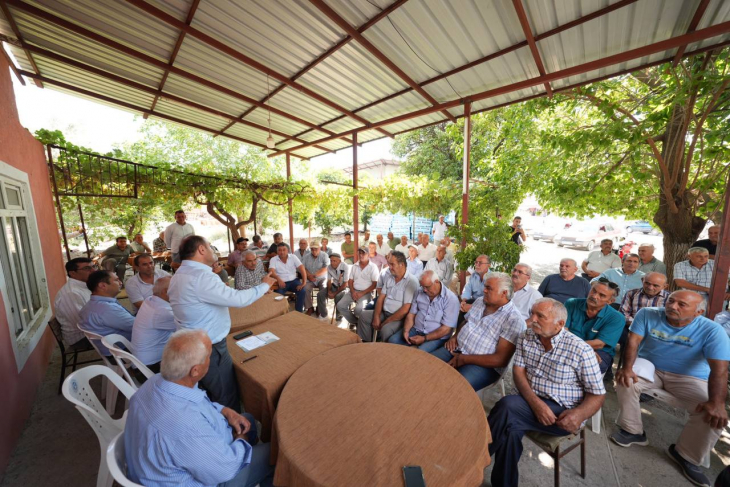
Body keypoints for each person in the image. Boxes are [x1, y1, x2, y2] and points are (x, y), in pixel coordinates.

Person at [125, 329, 274, 487]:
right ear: (195, 370)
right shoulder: (187, 426)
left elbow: (196, 402)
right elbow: (227, 468)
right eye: (210, 355)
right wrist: (240, 439)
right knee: (278, 453)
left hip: (164, 462)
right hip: (218, 474)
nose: (211, 359)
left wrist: (224, 411)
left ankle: (255, 464)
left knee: (248, 420)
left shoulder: (156, 382)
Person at [611, 291, 730, 487]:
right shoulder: (647, 313)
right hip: (651, 368)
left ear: (698, 311)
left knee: (714, 414)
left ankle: (685, 455)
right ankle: (632, 430)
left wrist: (717, 403)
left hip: (690, 377)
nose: (673, 306)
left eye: (682, 304)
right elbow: (633, 342)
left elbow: (720, 370)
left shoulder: (712, 330)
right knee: (626, 379)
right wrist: (626, 367)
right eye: (671, 301)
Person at [487, 298, 605, 487]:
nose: (532, 319)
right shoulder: (527, 336)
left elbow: (598, 394)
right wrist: (536, 404)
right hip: (528, 403)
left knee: (507, 406)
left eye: (540, 316)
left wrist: (579, 414)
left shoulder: (580, 350)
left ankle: (477, 457)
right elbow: (518, 371)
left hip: (560, 414)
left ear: (560, 324)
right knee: (511, 427)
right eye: (532, 313)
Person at [168, 235, 275, 411]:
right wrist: (264, 286)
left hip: (192, 342)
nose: (213, 251)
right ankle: (235, 430)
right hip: (211, 348)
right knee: (225, 394)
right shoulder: (201, 276)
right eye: (210, 247)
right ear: (201, 250)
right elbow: (238, 299)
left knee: (211, 390)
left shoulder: (180, 274)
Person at [431, 272, 525, 390]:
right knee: (427, 364)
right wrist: (455, 337)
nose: (484, 290)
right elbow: (465, 322)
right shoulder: (480, 301)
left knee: (452, 387)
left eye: (488, 288)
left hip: (483, 365)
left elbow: (500, 359)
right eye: (485, 286)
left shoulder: (514, 320)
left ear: (504, 293)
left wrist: (464, 359)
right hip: (457, 348)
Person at [564, 279, 625, 374]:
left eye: (602, 295)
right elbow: (563, 330)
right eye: (594, 291)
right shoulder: (572, 303)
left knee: (590, 366)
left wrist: (583, 351)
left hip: (598, 350)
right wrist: (575, 348)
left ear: (610, 301)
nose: (594, 296)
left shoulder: (617, 318)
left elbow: (599, 344)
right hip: (567, 345)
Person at [389, 270, 459, 352]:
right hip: (416, 330)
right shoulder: (419, 292)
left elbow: (446, 329)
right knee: (392, 341)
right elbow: (411, 314)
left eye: (427, 287)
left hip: (437, 337)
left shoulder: (451, 299)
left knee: (418, 352)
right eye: (422, 286)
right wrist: (406, 330)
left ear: (436, 282)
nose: (424, 290)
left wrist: (424, 338)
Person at [357, 251, 418, 342]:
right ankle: (367, 343)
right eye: (389, 264)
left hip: (399, 318)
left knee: (386, 329)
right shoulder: (390, 278)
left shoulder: (411, 281)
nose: (389, 267)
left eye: (392, 264)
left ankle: (384, 351)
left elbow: (405, 309)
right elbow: (381, 298)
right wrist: (376, 317)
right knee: (364, 315)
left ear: (401, 264)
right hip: (384, 313)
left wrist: (385, 322)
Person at [78, 270, 135, 356]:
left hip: (110, 348)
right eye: (116, 280)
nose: (120, 283)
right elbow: (138, 327)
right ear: (103, 286)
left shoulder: (90, 305)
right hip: (122, 351)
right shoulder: (107, 309)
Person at [131, 277, 176, 373]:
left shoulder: (150, 300)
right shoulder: (162, 312)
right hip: (149, 368)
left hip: (142, 361)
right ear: (166, 291)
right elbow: (190, 326)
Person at [54, 257, 95, 346]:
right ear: (73, 273)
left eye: (94, 266)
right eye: (87, 268)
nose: (93, 270)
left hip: (91, 330)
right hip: (81, 337)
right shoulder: (71, 293)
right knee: (122, 336)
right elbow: (82, 324)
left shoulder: (85, 286)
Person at [336, 248, 378, 328]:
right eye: (359, 253)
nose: (361, 255)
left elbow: (374, 284)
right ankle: (355, 322)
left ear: (368, 255)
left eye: (363, 253)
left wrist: (362, 293)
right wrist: (352, 292)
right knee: (340, 305)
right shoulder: (355, 265)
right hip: (353, 291)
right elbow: (350, 281)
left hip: (366, 293)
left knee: (358, 310)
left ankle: (360, 323)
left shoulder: (373, 267)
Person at [269, 243, 307, 313]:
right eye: (280, 250)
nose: (282, 252)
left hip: (293, 281)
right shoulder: (273, 259)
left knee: (302, 291)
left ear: (288, 250)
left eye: (284, 250)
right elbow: (271, 271)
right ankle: (281, 313)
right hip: (280, 282)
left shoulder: (293, 257)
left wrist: (304, 282)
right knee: (278, 295)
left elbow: (302, 268)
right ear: (277, 251)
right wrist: (279, 279)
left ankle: (298, 312)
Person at [302, 240, 330, 315]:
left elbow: (326, 268)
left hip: (321, 278)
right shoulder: (306, 256)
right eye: (312, 249)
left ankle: (319, 307)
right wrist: (309, 276)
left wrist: (314, 275)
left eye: (316, 249)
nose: (314, 251)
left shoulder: (324, 255)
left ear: (319, 248)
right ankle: (310, 308)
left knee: (324, 289)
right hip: (310, 279)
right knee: (304, 288)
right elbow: (303, 268)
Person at [317, 253, 348, 320]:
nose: (332, 263)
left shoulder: (345, 266)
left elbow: (345, 283)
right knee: (320, 294)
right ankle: (324, 315)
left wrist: (334, 293)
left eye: (334, 261)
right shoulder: (329, 267)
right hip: (335, 285)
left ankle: (339, 317)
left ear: (340, 261)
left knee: (338, 296)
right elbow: (329, 281)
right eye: (331, 261)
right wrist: (329, 291)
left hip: (344, 287)